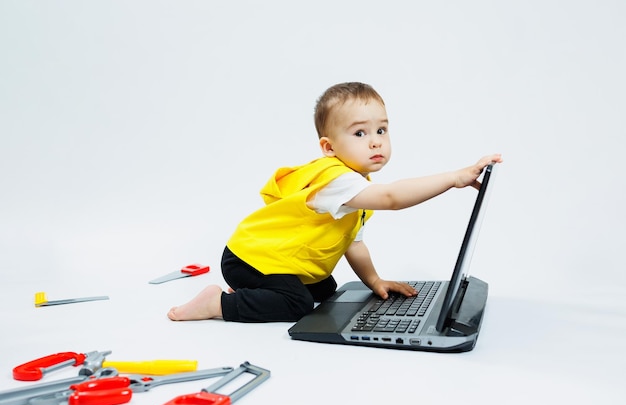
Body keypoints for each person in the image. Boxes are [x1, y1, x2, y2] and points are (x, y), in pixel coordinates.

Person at [167, 82, 502, 323]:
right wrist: (453, 178)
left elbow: (351, 243)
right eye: (360, 134)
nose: (375, 142)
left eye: (381, 130)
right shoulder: (335, 181)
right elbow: (392, 197)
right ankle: (219, 304)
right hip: (251, 260)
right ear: (329, 147)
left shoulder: (355, 186)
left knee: (328, 291)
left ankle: (252, 291)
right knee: (298, 304)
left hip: (275, 261)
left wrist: (374, 281)